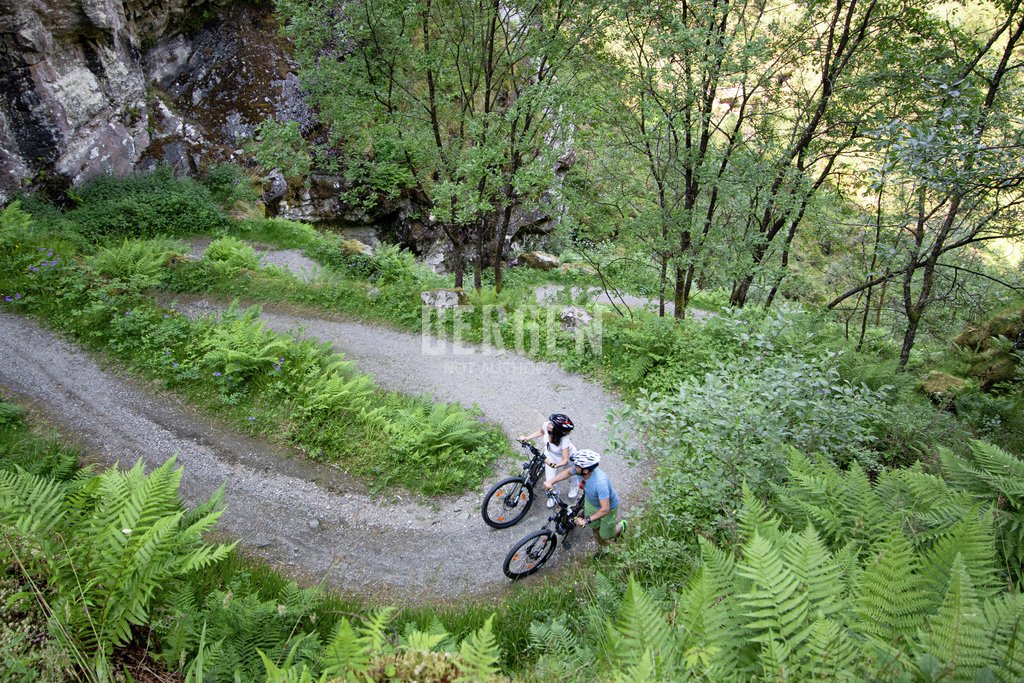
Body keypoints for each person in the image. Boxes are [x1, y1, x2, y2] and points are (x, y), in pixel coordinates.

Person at [544, 449, 626, 552]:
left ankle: (621, 526)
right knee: (594, 527)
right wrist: (551, 481)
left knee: (606, 535)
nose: (574, 466)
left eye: (577, 465)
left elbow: (605, 509)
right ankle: (604, 548)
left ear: (586, 470)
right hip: (591, 502)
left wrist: (586, 520)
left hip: (608, 508)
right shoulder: (581, 471)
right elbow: (568, 472)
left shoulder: (600, 483)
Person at [518, 413, 579, 508]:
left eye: (552, 426)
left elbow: (565, 459)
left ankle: (574, 487)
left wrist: (555, 465)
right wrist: (527, 438)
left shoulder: (564, 439)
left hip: (567, 457)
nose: (548, 425)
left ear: (557, 432)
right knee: (550, 480)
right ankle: (553, 495)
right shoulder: (547, 425)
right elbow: (540, 432)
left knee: (571, 473)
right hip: (550, 455)